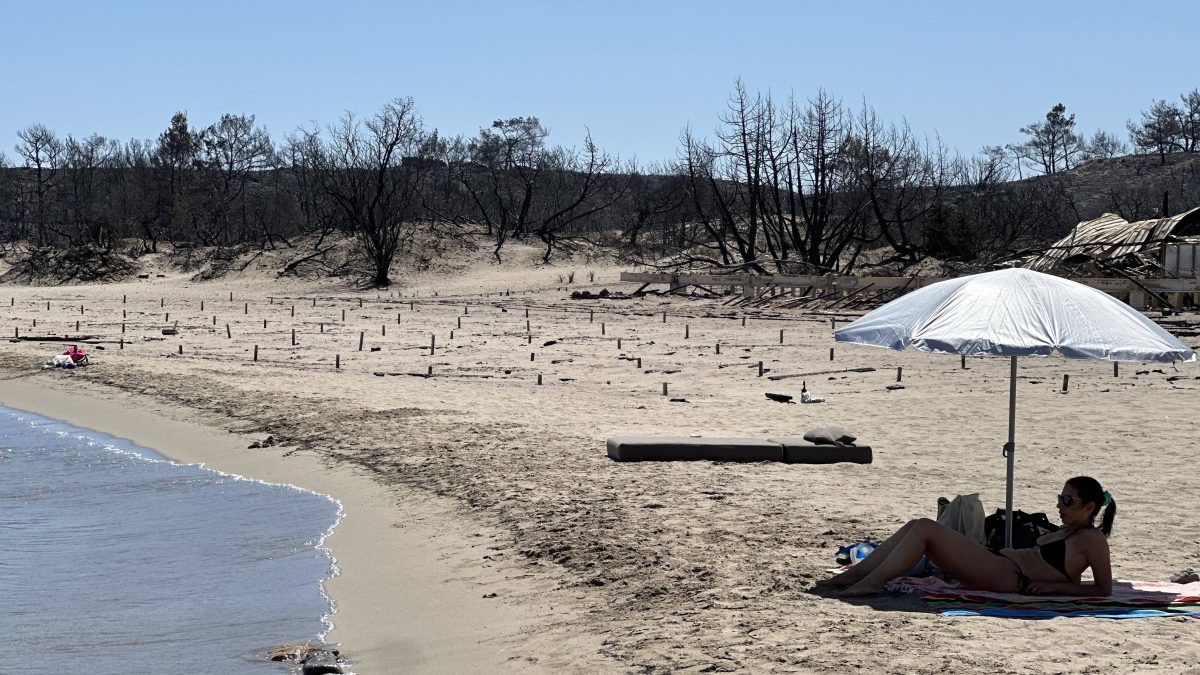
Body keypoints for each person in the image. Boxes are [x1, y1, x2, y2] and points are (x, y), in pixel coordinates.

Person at [816, 476, 1116, 597]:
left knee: (925, 528)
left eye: (1067, 501)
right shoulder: (1068, 530)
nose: (1059, 505)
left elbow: (1103, 590)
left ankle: (870, 582)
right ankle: (852, 577)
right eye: (1059, 498)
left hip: (1012, 578)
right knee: (915, 524)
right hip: (1000, 564)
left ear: (1089, 507)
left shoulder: (1093, 540)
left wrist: (1050, 588)